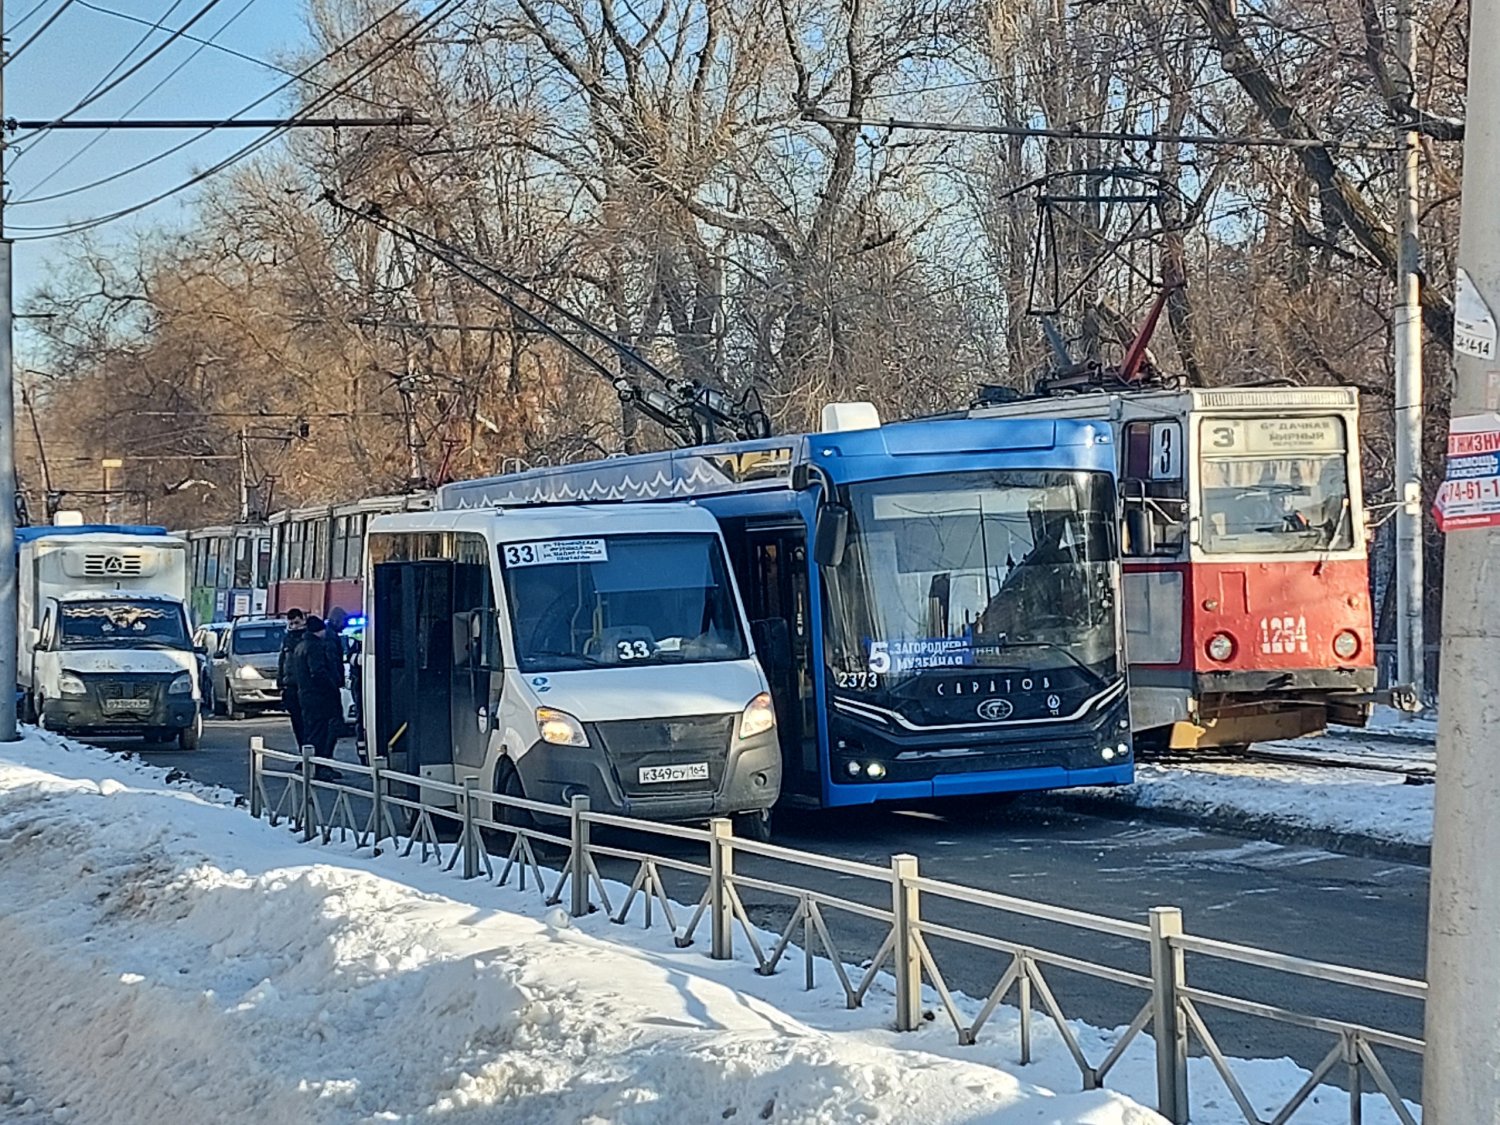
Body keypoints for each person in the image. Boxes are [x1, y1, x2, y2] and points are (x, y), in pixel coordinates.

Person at [292, 615, 343, 781]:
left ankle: (311, 766)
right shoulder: (314, 646)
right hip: (319, 697)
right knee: (321, 733)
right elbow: (318, 672)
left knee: (311, 731)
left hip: (306, 695)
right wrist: (332, 685)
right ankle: (319, 767)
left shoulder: (300, 646)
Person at [277, 609, 307, 747]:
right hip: (290, 687)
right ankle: (302, 752)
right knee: (297, 722)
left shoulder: (307, 637)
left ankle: (309, 753)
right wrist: (280, 684)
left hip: (304, 687)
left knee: (307, 723)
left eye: (297, 622)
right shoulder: (287, 639)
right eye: (291, 623)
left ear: (303, 620)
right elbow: (282, 662)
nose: (295, 626)